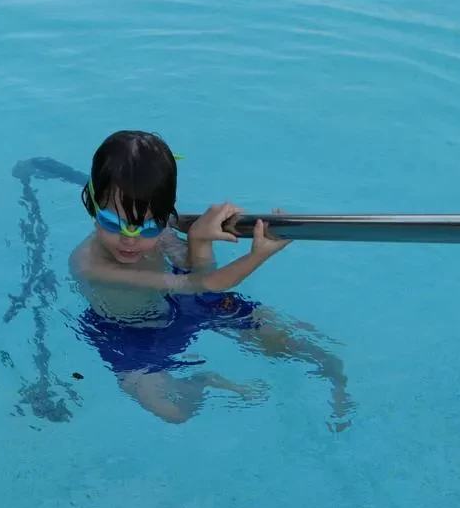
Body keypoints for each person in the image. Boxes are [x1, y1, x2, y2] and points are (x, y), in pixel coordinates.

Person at [69, 130, 353, 427]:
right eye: (113, 223)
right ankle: (203, 380)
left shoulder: (163, 232)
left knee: (303, 346)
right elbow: (203, 283)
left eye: (149, 227)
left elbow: (198, 273)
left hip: (184, 302)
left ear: (165, 216)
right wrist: (258, 255)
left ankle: (338, 388)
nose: (130, 240)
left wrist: (199, 240)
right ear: (92, 204)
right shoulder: (88, 265)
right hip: (128, 335)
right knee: (174, 411)